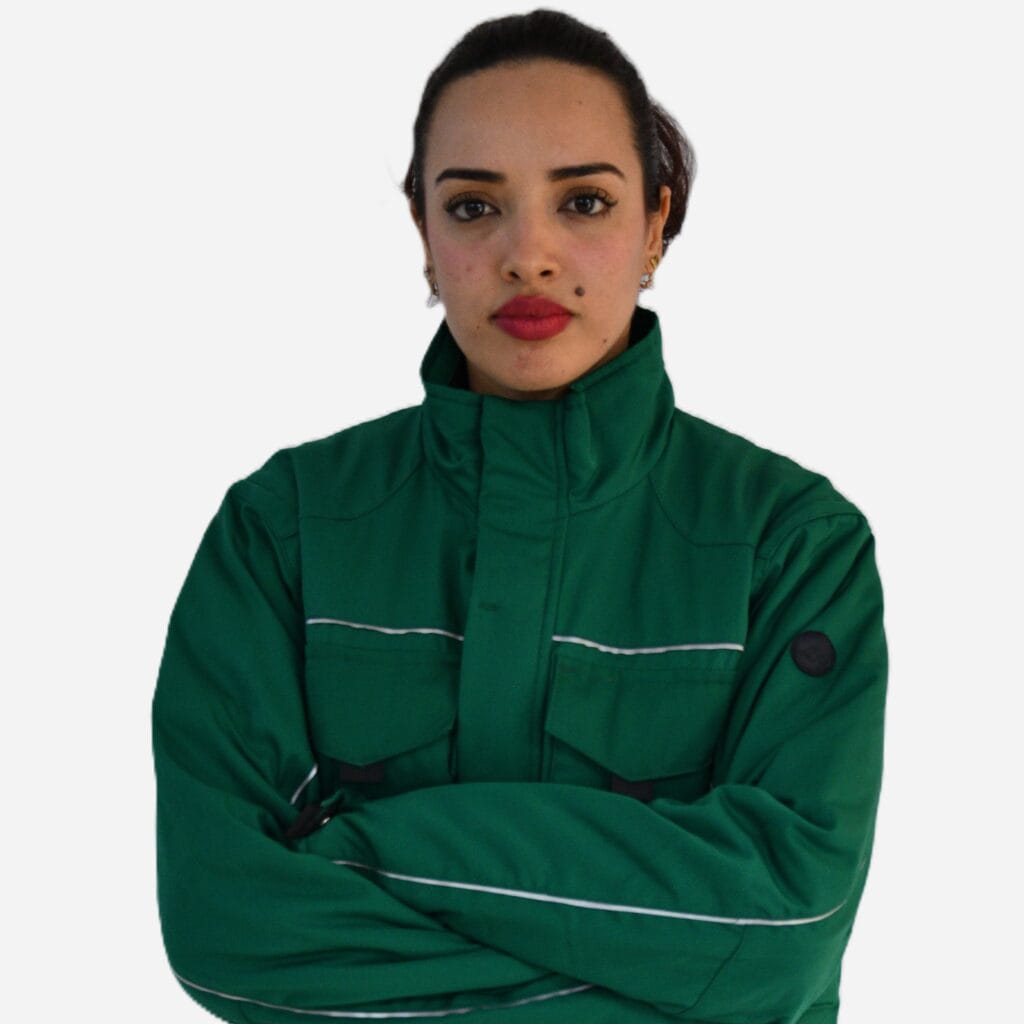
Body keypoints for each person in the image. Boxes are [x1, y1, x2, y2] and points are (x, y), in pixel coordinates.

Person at [151, 9, 887, 1024]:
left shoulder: (792, 545)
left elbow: (785, 932)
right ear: (424, 234)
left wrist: (349, 856)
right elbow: (228, 932)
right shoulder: (282, 533)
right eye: (472, 207)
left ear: (655, 225)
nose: (528, 254)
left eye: (583, 201)